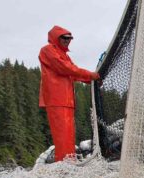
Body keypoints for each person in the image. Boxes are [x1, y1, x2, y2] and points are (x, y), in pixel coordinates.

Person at [39, 26, 100, 162]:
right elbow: (65, 68)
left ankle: (69, 162)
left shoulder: (65, 55)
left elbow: (73, 72)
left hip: (67, 101)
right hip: (56, 99)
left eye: (69, 38)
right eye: (64, 38)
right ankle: (63, 166)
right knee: (62, 136)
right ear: (56, 38)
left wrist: (91, 80)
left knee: (68, 136)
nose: (68, 41)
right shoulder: (47, 50)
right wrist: (91, 75)